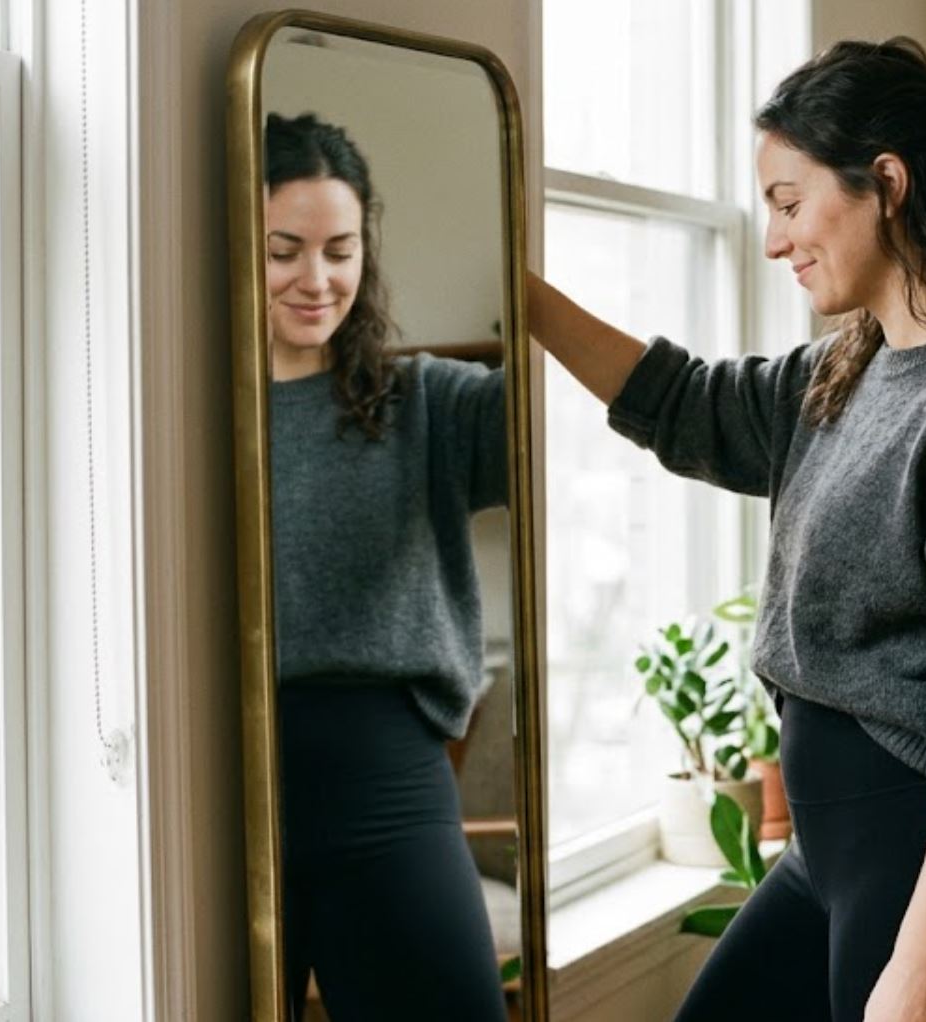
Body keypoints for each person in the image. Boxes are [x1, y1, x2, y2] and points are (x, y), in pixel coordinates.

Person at [526, 37, 926, 1022]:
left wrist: (925, 962)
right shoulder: (849, 367)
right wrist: (521, 293)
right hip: (835, 861)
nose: (770, 238)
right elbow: (685, 401)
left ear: (884, 183)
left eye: (789, 202)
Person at [263, 111, 510, 1022]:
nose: (317, 279)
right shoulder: (177, 410)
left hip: (387, 784)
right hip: (213, 782)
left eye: (341, 248)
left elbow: (578, 424)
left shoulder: (425, 405)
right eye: (285, 249)